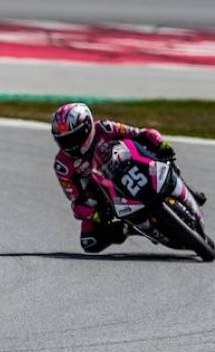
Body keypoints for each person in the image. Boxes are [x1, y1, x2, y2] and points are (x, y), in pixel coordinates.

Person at [51, 102, 206, 253]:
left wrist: (161, 145)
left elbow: (140, 134)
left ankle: (185, 187)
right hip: (104, 199)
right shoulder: (62, 165)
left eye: (73, 138)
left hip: (129, 166)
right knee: (90, 241)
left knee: (163, 156)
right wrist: (95, 213)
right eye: (63, 141)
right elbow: (76, 202)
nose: (70, 145)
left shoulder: (105, 128)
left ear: (87, 127)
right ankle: (130, 228)